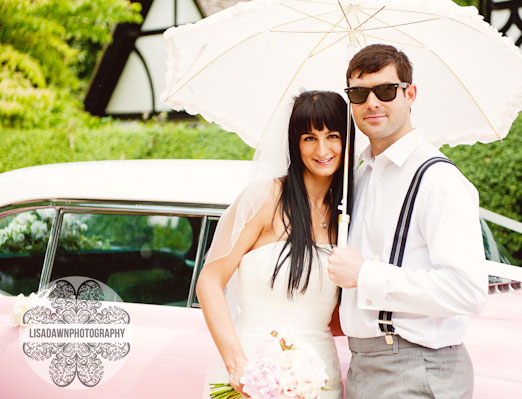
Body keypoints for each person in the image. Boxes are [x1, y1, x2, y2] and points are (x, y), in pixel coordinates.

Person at [328, 44, 488, 398]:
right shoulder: (360, 175)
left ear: (410, 93)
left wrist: (365, 275)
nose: (372, 103)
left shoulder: (438, 180)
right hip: (363, 365)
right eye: (358, 93)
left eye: (386, 91)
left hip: (418, 369)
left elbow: (468, 291)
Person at [197, 90, 353, 399]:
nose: (322, 149)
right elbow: (210, 281)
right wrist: (237, 363)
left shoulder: (348, 218)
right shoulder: (265, 199)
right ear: (295, 144)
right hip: (251, 375)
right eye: (309, 138)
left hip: (320, 381)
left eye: (332, 136)